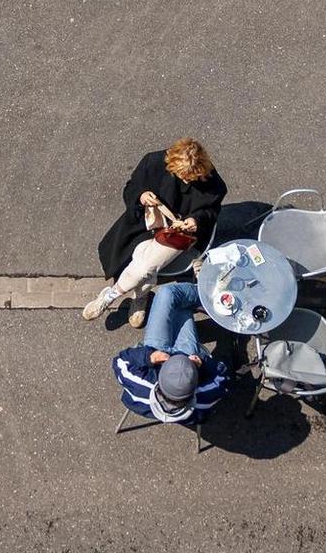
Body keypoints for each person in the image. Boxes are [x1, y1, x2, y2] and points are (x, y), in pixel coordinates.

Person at [86, 138, 227, 325]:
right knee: (144, 265)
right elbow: (131, 188)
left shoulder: (212, 183)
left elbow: (211, 212)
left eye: (191, 178)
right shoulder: (153, 162)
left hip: (177, 235)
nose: (186, 181)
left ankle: (111, 295)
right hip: (145, 226)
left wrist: (195, 220)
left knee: (145, 267)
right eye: (182, 175)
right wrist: (141, 196)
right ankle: (140, 296)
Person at [111, 282, 231, 424]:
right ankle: (212, 296)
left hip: (161, 356)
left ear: (159, 383)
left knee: (169, 295)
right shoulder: (204, 398)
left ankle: (206, 296)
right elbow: (223, 374)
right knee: (179, 303)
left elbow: (120, 361)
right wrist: (202, 362)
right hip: (189, 355)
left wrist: (149, 357)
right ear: (193, 390)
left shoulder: (140, 386)